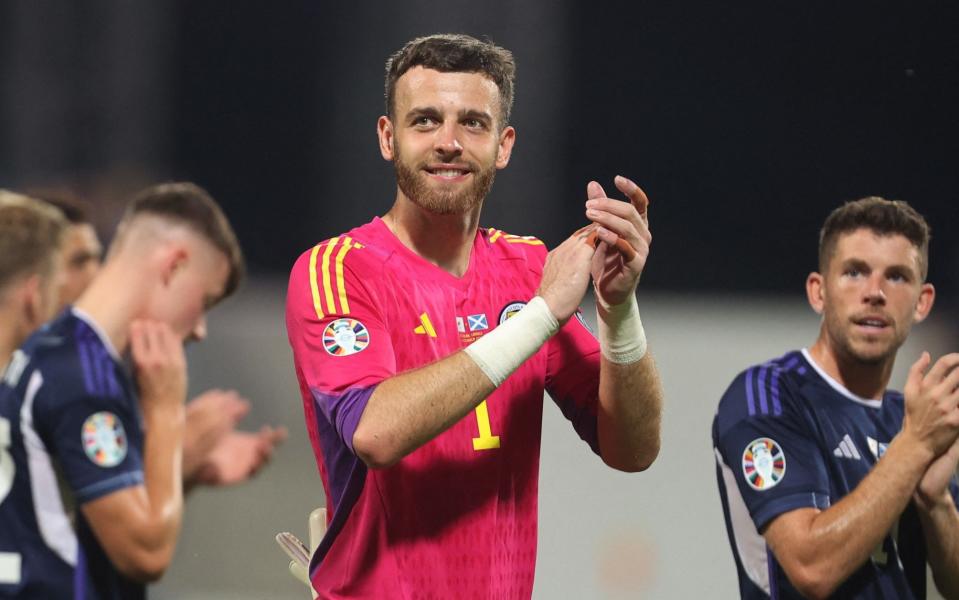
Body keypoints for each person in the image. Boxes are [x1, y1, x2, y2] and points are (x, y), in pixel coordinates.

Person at [286, 33, 664, 597]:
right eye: (425, 121)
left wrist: (619, 310)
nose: (449, 142)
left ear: (504, 145)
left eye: (473, 123)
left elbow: (633, 450)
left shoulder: (528, 269)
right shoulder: (336, 271)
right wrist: (539, 317)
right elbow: (376, 433)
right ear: (388, 138)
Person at [0, 182, 244, 598]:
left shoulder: (53, 348)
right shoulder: (84, 378)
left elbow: (81, 517)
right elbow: (146, 552)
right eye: (203, 301)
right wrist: (167, 412)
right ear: (174, 265)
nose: (199, 329)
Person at [713, 197, 959, 599]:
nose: (875, 292)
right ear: (819, 292)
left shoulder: (911, 418)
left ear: (923, 301)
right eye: (855, 272)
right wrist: (915, 447)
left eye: (897, 276)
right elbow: (812, 569)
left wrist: (937, 502)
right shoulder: (767, 396)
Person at [39, 193, 286, 487]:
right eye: (78, 262)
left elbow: (86, 517)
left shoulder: (104, 373)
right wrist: (168, 426)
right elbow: (134, 533)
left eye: (97, 259)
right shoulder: (66, 375)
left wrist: (187, 469)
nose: (96, 275)